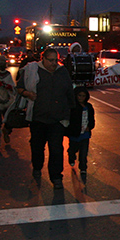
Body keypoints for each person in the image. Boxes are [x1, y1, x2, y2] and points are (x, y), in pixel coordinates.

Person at [17, 47, 75, 189]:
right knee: (37, 147)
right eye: (51, 60)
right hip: (38, 118)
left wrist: (70, 114)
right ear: (43, 59)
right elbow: (18, 88)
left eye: (56, 60)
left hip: (57, 119)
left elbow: (69, 93)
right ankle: (37, 167)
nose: (54, 63)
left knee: (56, 149)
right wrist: (27, 93)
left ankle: (56, 177)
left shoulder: (62, 72)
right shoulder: (32, 71)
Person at [66, 86, 95, 183]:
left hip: (85, 134)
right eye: (79, 96)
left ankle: (83, 168)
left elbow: (92, 119)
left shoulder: (89, 107)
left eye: (83, 96)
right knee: (73, 148)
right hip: (74, 133)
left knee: (83, 153)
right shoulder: (73, 107)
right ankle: (71, 156)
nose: (81, 98)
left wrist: (90, 127)